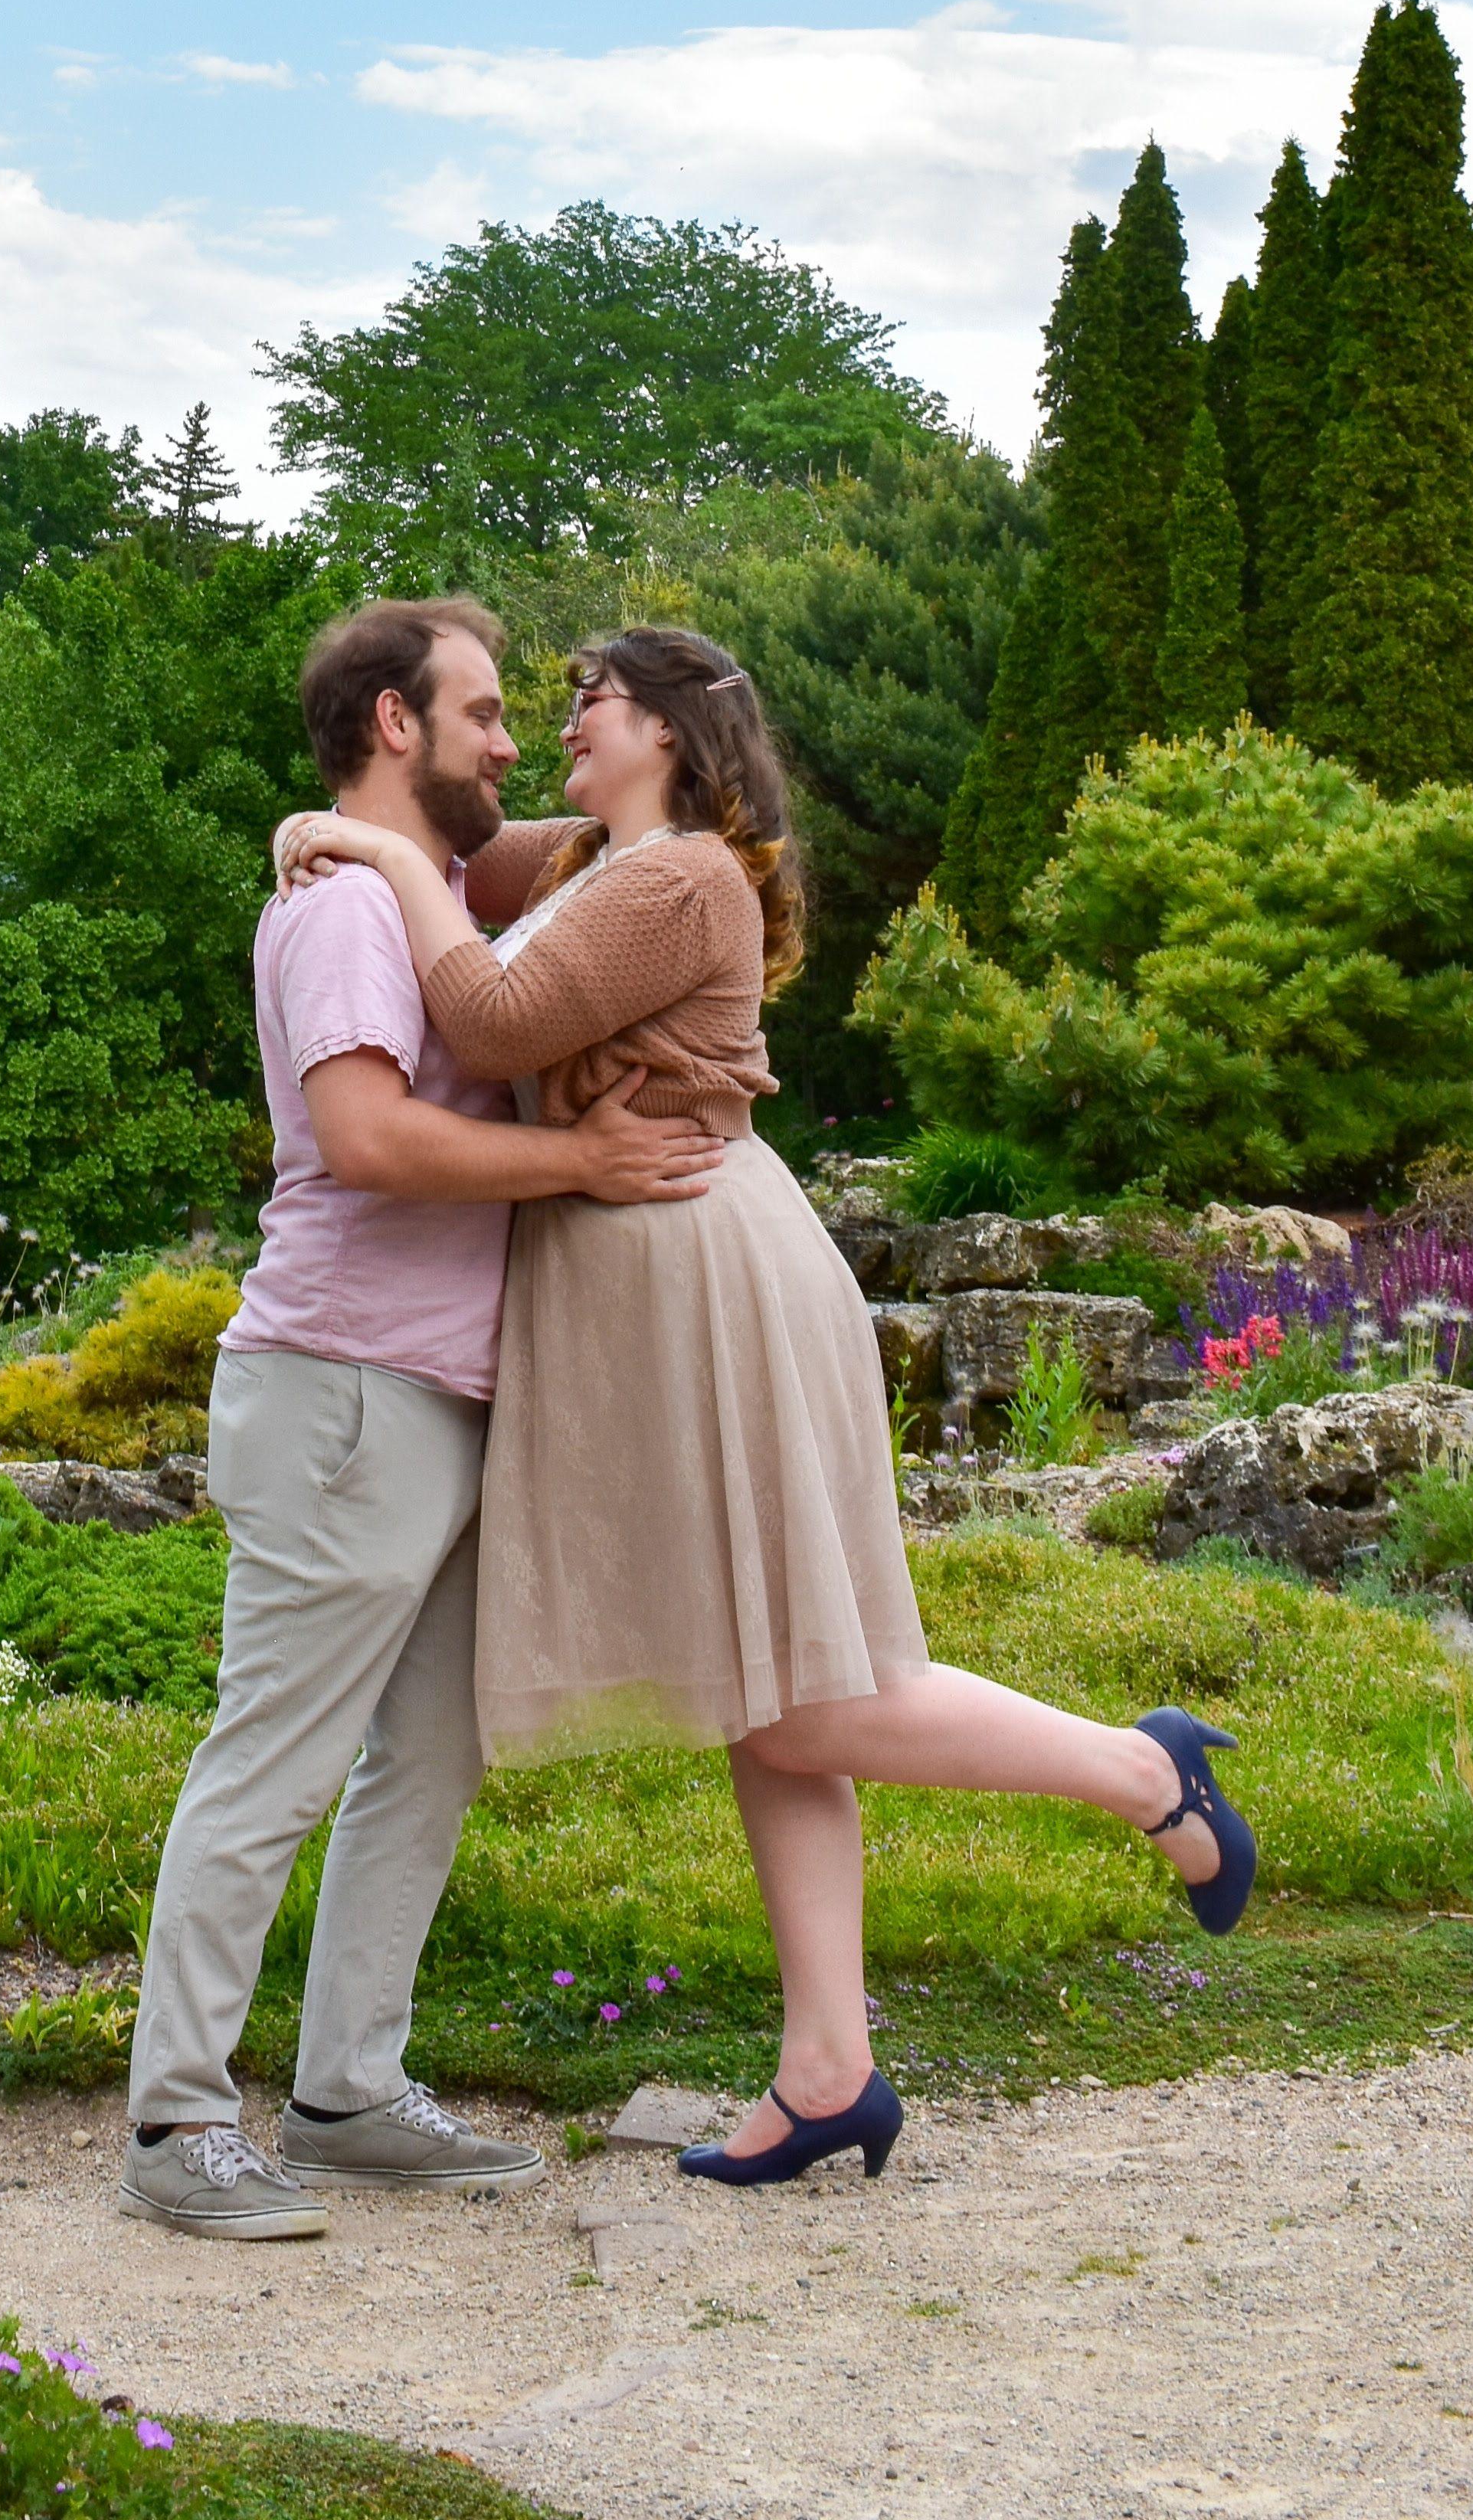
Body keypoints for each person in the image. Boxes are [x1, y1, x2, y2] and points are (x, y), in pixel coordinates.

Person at [273, 623, 1258, 2189]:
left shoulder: (683, 882)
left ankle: (1145, 1773)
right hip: (652, 1286)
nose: (555, 731)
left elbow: (491, 1021)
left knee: (801, 1689)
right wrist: (343, 827)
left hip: (710, 1278)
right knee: (767, 1679)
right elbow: (451, 852)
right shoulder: (594, 858)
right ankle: (828, 2070)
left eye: (588, 703)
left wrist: (377, 864)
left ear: (668, 728)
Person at [117, 595, 728, 2240]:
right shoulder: (341, 915)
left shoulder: (432, 887)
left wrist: (379, 833)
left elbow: (598, 841)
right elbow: (369, 1139)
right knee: (277, 1758)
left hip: (447, 1399)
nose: (515, 741)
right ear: (396, 723)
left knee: (433, 1756)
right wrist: (580, 1162)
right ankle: (178, 2119)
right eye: (484, 713)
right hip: (343, 1388)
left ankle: (348, 2094)